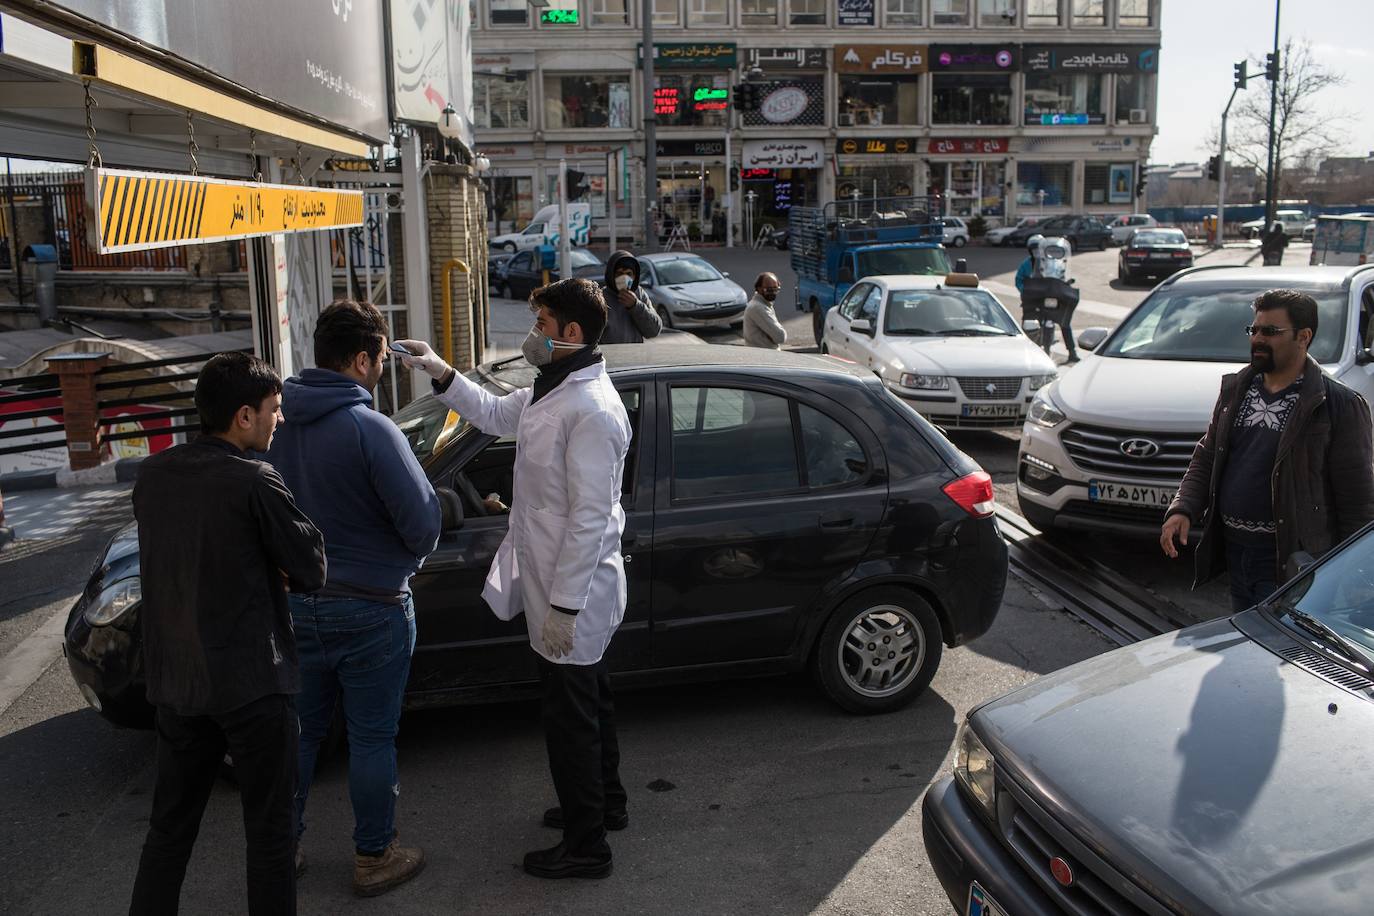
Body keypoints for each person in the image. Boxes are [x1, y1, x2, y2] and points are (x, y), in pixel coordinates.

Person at [395, 277, 631, 881]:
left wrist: (566, 607)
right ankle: (605, 804)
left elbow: (591, 520)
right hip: (557, 584)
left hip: (571, 592)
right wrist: (442, 372)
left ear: (571, 335)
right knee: (591, 702)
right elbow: (495, 412)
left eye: (542, 325)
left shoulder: (593, 410)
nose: (532, 336)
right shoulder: (553, 389)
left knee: (569, 717)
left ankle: (588, 846)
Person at [129, 352, 326, 916]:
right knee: (269, 834)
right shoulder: (254, 479)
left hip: (178, 682)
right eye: (274, 409)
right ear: (244, 416)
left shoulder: (155, 473)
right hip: (251, 682)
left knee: (169, 831)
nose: (279, 420)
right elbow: (311, 566)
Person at [264, 301, 441, 897]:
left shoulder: (273, 425)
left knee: (301, 733)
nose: (384, 370)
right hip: (372, 607)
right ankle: (374, 857)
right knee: (371, 738)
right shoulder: (371, 429)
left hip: (294, 607)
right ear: (362, 359)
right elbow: (422, 524)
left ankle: (280, 849)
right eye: (383, 358)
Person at [1161, 289, 1374, 610]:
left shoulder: (1338, 404)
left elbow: (1357, 500)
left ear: (1304, 336)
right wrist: (1183, 508)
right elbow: (1207, 455)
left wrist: (1352, 576)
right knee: (1248, 648)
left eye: (1270, 332)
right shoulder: (1237, 389)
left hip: (1293, 561)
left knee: (1284, 651)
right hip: (1235, 551)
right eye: (1254, 330)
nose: (1257, 339)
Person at [1015, 236, 1080, 364]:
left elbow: (1060, 274)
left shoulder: (1052, 261)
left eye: (1037, 249)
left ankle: (1072, 351)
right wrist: (1026, 290)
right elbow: (1019, 279)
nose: (1036, 252)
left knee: (1064, 320)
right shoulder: (1027, 263)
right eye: (1033, 249)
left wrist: (1064, 281)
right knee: (1029, 321)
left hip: (1051, 295)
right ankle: (1027, 349)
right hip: (1034, 298)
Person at [599, 250, 662, 344]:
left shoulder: (639, 293)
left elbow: (654, 330)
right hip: (611, 356)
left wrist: (635, 306)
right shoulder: (600, 298)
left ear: (634, 276)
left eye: (628, 274)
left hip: (635, 356)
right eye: (619, 273)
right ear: (611, 274)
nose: (624, 278)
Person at [743, 272, 787, 350]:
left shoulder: (765, 304)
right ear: (759, 288)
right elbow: (780, 337)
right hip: (763, 357)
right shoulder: (758, 308)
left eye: (776, 289)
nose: (773, 293)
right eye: (769, 289)